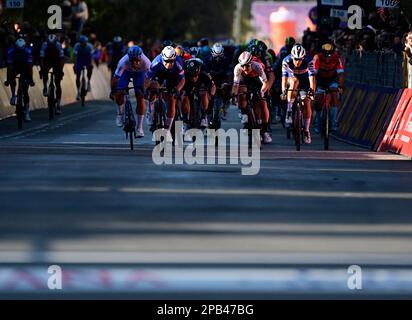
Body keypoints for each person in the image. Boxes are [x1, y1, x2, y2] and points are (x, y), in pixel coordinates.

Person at [232, 51, 272, 144]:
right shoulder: (238, 68)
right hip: (244, 80)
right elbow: (235, 86)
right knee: (241, 92)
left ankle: (265, 131)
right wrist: (234, 96)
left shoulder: (257, 66)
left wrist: (261, 93)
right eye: (243, 66)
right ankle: (244, 113)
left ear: (251, 63)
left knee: (262, 103)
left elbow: (265, 83)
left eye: (247, 66)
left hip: (257, 80)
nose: (245, 68)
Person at [110, 45, 151, 138]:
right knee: (119, 92)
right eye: (132, 60)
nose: (135, 63)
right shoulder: (123, 62)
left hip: (140, 73)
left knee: (140, 96)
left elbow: (150, 78)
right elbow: (115, 78)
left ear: (141, 58)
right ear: (129, 58)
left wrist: (145, 89)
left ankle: (139, 127)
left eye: (137, 61)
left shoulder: (146, 62)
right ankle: (120, 113)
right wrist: (113, 90)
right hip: (126, 72)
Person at [147, 46, 185, 143]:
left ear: (174, 59)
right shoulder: (156, 62)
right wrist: (146, 89)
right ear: (162, 58)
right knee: (153, 88)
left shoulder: (178, 63)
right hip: (159, 75)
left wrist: (177, 89)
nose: (169, 64)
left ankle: (167, 131)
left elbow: (182, 80)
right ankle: (150, 112)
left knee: (172, 100)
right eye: (166, 61)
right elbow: (147, 79)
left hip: (173, 77)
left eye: (171, 61)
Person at [281, 44, 316, 144]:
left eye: (300, 59)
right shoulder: (286, 61)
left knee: (307, 102)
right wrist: (284, 91)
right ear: (292, 57)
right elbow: (284, 79)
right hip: (292, 80)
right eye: (296, 59)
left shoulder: (309, 60)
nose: (298, 61)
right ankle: (289, 111)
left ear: (303, 57)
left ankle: (306, 131)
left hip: (305, 81)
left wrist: (311, 91)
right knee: (294, 81)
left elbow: (312, 79)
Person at [313, 43, 345, 133]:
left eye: (329, 55)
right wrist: (313, 88)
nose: (327, 59)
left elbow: (341, 74)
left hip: (332, 80)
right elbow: (313, 75)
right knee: (318, 100)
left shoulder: (337, 58)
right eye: (325, 55)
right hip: (320, 80)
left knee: (334, 96)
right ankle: (318, 123)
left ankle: (334, 122)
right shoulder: (317, 57)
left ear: (333, 52)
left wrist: (340, 86)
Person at [181, 58, 216, 137]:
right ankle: (185, 121)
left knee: (204, 93)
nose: (193, 78)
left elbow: (213, 86)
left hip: (201, 86)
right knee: (184, 97)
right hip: (188, 87)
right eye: (191, 76)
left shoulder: (205, 75)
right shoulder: (184, 75)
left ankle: (204, 117)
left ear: (199, 72)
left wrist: (211, 95)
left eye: (195, 76)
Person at [5, 38, 35, 122]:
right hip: (15, 66)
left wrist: (31, 79)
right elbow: (9, 68)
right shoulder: (11, 51)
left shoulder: (28, 51)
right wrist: (8, 79)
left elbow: (30, 67)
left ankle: (27, 112)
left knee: (25, 90)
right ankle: (13, 95)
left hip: (25, 67)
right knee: (11, 76)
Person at [40, 34, 65, 115]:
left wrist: (60, 70)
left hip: (56, 61)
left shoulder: (58, 45)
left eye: (52, 44)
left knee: (57, 82)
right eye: (49, 44)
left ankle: (58, 104)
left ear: (55, 43)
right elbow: (42, 58)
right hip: (48, 60)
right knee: (45, 71)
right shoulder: (44, 45)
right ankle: (45, 87)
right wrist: (42, 69)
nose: (51, 46)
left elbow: (61, 59)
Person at [73, 35, 93, 100]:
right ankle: (78, 91)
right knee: (78, 75)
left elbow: (91, 57)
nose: (83, 44)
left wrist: (90, 65)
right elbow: (75, 56)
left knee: (90, 67)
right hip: (79, 59)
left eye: (84, 43)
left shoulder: (89, 46)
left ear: (86, 42)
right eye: (82, 43)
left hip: (87, 59)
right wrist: (75, 64)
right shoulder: (77, 46)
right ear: (80, 42)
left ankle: (89, 81)